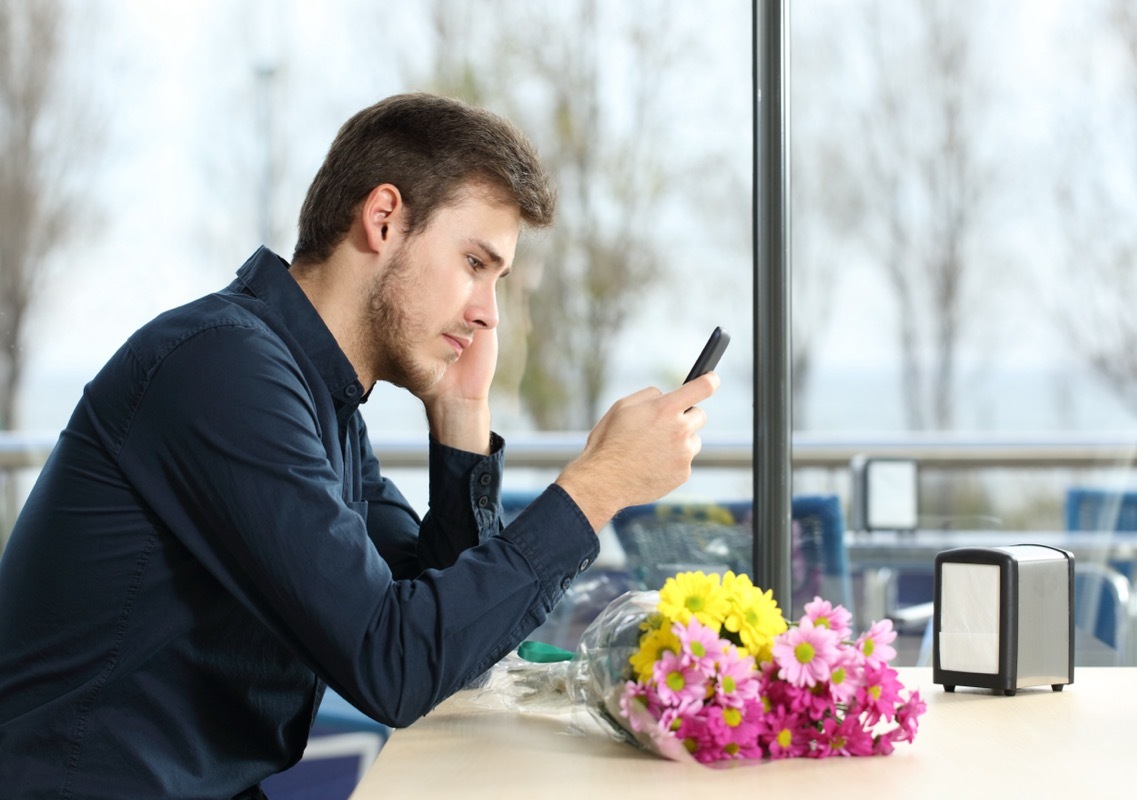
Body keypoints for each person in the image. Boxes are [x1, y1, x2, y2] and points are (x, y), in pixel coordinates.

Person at [0, 93, 718, 798]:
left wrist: (462, 413)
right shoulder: (222, 369)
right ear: (383, 220)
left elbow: (448, 646)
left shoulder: (319, 399)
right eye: (475, 264)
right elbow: (394, 664)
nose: (487, 315)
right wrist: (600, 485)